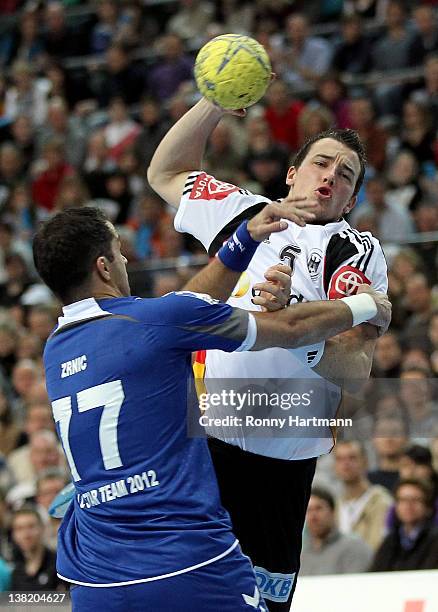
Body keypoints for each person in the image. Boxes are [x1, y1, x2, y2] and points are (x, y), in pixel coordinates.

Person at [33, 206, 389, 611]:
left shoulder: (55, 349)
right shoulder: (157, 322)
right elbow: (289, 329)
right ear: (103, 266)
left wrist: (245, 240)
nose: (126, 259)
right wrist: (366, 304)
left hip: (94, 577)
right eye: (118, 251)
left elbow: (186, 303)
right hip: (187, 562)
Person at [147, 97, 389, 610]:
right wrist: (213, 103)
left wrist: (297, 329)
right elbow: (165, 171)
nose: (331, 177)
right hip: (206, 446)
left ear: (348, 202)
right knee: (179, 593)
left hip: (282, 466)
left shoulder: (352, 252)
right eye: (321, 164)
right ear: (293, 174)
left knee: (261, 604)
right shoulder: (245, 213)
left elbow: (356, 370)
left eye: (346, 176)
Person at [300, 486, 372, 575]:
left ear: (333, 511)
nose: (313, 516)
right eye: (308, 510)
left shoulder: (354, 547)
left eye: (319, 508)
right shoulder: (301, 554)